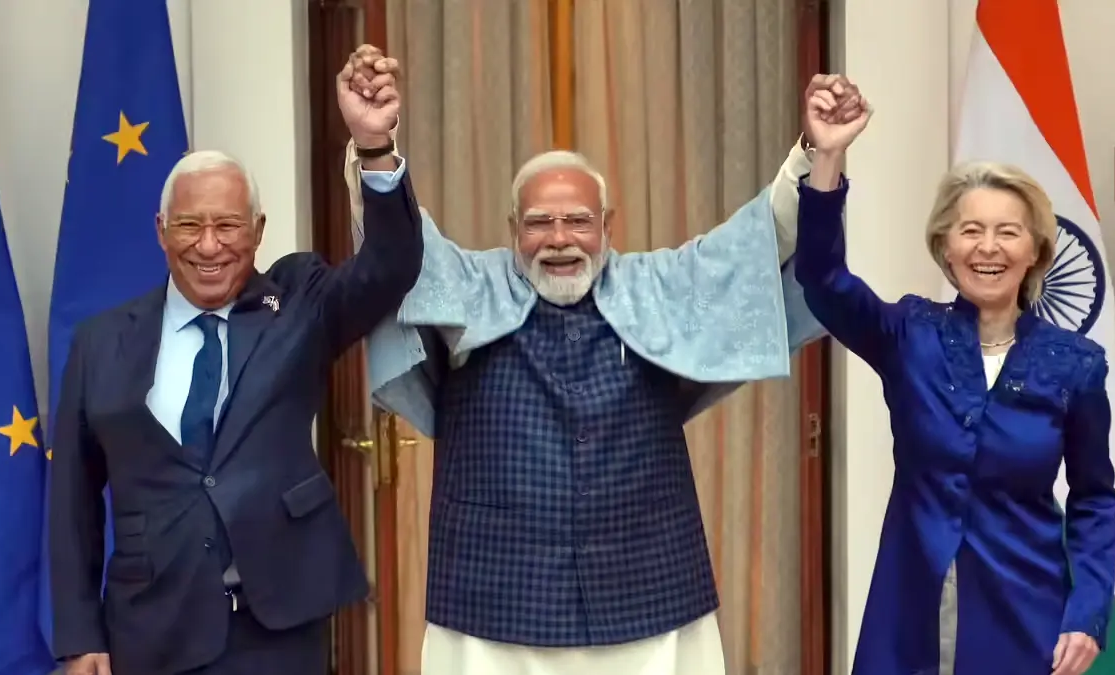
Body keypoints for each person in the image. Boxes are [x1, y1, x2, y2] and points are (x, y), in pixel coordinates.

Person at [346, 49, 860, 674]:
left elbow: (760, 239)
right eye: (539, 223)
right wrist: (375, 147)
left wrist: (815, 148)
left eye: (577, 221)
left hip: (647, 585)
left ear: (609, 225)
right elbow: (397, 246)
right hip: (494, 592)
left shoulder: (661, 284)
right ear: (512, 229)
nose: (559, 238)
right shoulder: (467, 284)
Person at [48, 47, 422, 675]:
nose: (210, 245)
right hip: (151, 626)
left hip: (278, 621)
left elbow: (391, 267)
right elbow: (72, 504)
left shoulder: (298, 301)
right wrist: (81, 636)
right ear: (161, 230)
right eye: (190, 226)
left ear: (258, 229)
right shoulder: (101, 341)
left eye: (229, 225)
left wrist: (374, 148)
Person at [793, 85, 1115, 674]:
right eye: (970, 230)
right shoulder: (908, 334)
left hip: (1025, 611)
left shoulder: (1076, 364)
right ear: (945, 246)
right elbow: (822, 278)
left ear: (1035, 251)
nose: (987, 247)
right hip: (909, 609)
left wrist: (1088, 609)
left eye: (1007, 232)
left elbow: (1094, 498)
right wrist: (827, 156)